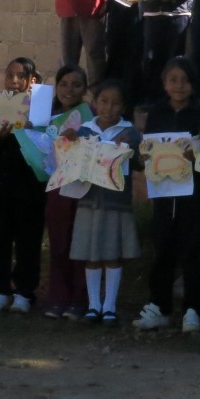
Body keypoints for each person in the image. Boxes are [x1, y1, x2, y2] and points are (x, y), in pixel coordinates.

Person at [133, 57, 200, 333]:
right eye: (173, 80)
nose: (179, 86)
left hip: (192, 191)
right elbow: (149, 149)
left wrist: (198, 150)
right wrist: (145, 156)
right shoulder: (156, 113)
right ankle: (159, 306)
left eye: (185, 80)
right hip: (164, 192)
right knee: (162, 247)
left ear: (193, 83)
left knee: (191, 250)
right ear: (164, 83)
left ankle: (192, 309)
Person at [0, 57, 46, 314]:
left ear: (32, 81)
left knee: (28, 243)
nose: (14, 81)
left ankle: (25, 293)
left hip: (30, 191)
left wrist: (31, 129)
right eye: (9, 75)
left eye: (20, 76)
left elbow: (49, 147)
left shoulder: (42, 108)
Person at [66, 79, 141, 325]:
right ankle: (93, 305)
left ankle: (109, 306)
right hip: (88, 201)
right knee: (92, 255)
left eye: (115, 102)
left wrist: (134, 150)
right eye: (104, 101)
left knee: (112, 254)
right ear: (94, 103)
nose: (109, 107)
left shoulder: (130, 132)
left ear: (123, 106)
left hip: (115, 202)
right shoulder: (84, 130)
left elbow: (141, 162)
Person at [42, 64, 93, 319]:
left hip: (84, 188)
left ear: (85, 89)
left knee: (80, 243)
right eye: (64, 84)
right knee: (59, 242)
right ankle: (58, 297)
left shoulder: (93, 118)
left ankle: (80, 299)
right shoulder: (45, 117)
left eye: (76, 84)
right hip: (56, 186)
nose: (69, 90)